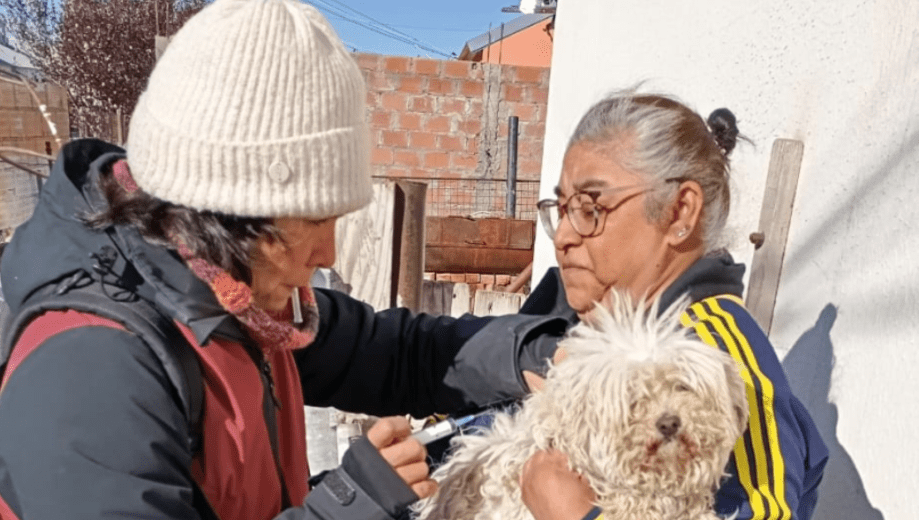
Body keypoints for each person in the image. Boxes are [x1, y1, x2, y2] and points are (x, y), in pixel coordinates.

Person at [0, 1, 547, 518]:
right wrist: (353, 502)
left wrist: (533, 352)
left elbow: (399, 353)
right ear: (225, 209)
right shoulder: (91, 366)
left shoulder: (241, 308)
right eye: (313, 219)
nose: (329, 251)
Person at [307, 92, 829, 520]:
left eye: (591, 208)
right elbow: (423, 353)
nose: (564, 238)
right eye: (561, 209)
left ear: (679, 212)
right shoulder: (575, 323)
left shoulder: (719, 358)